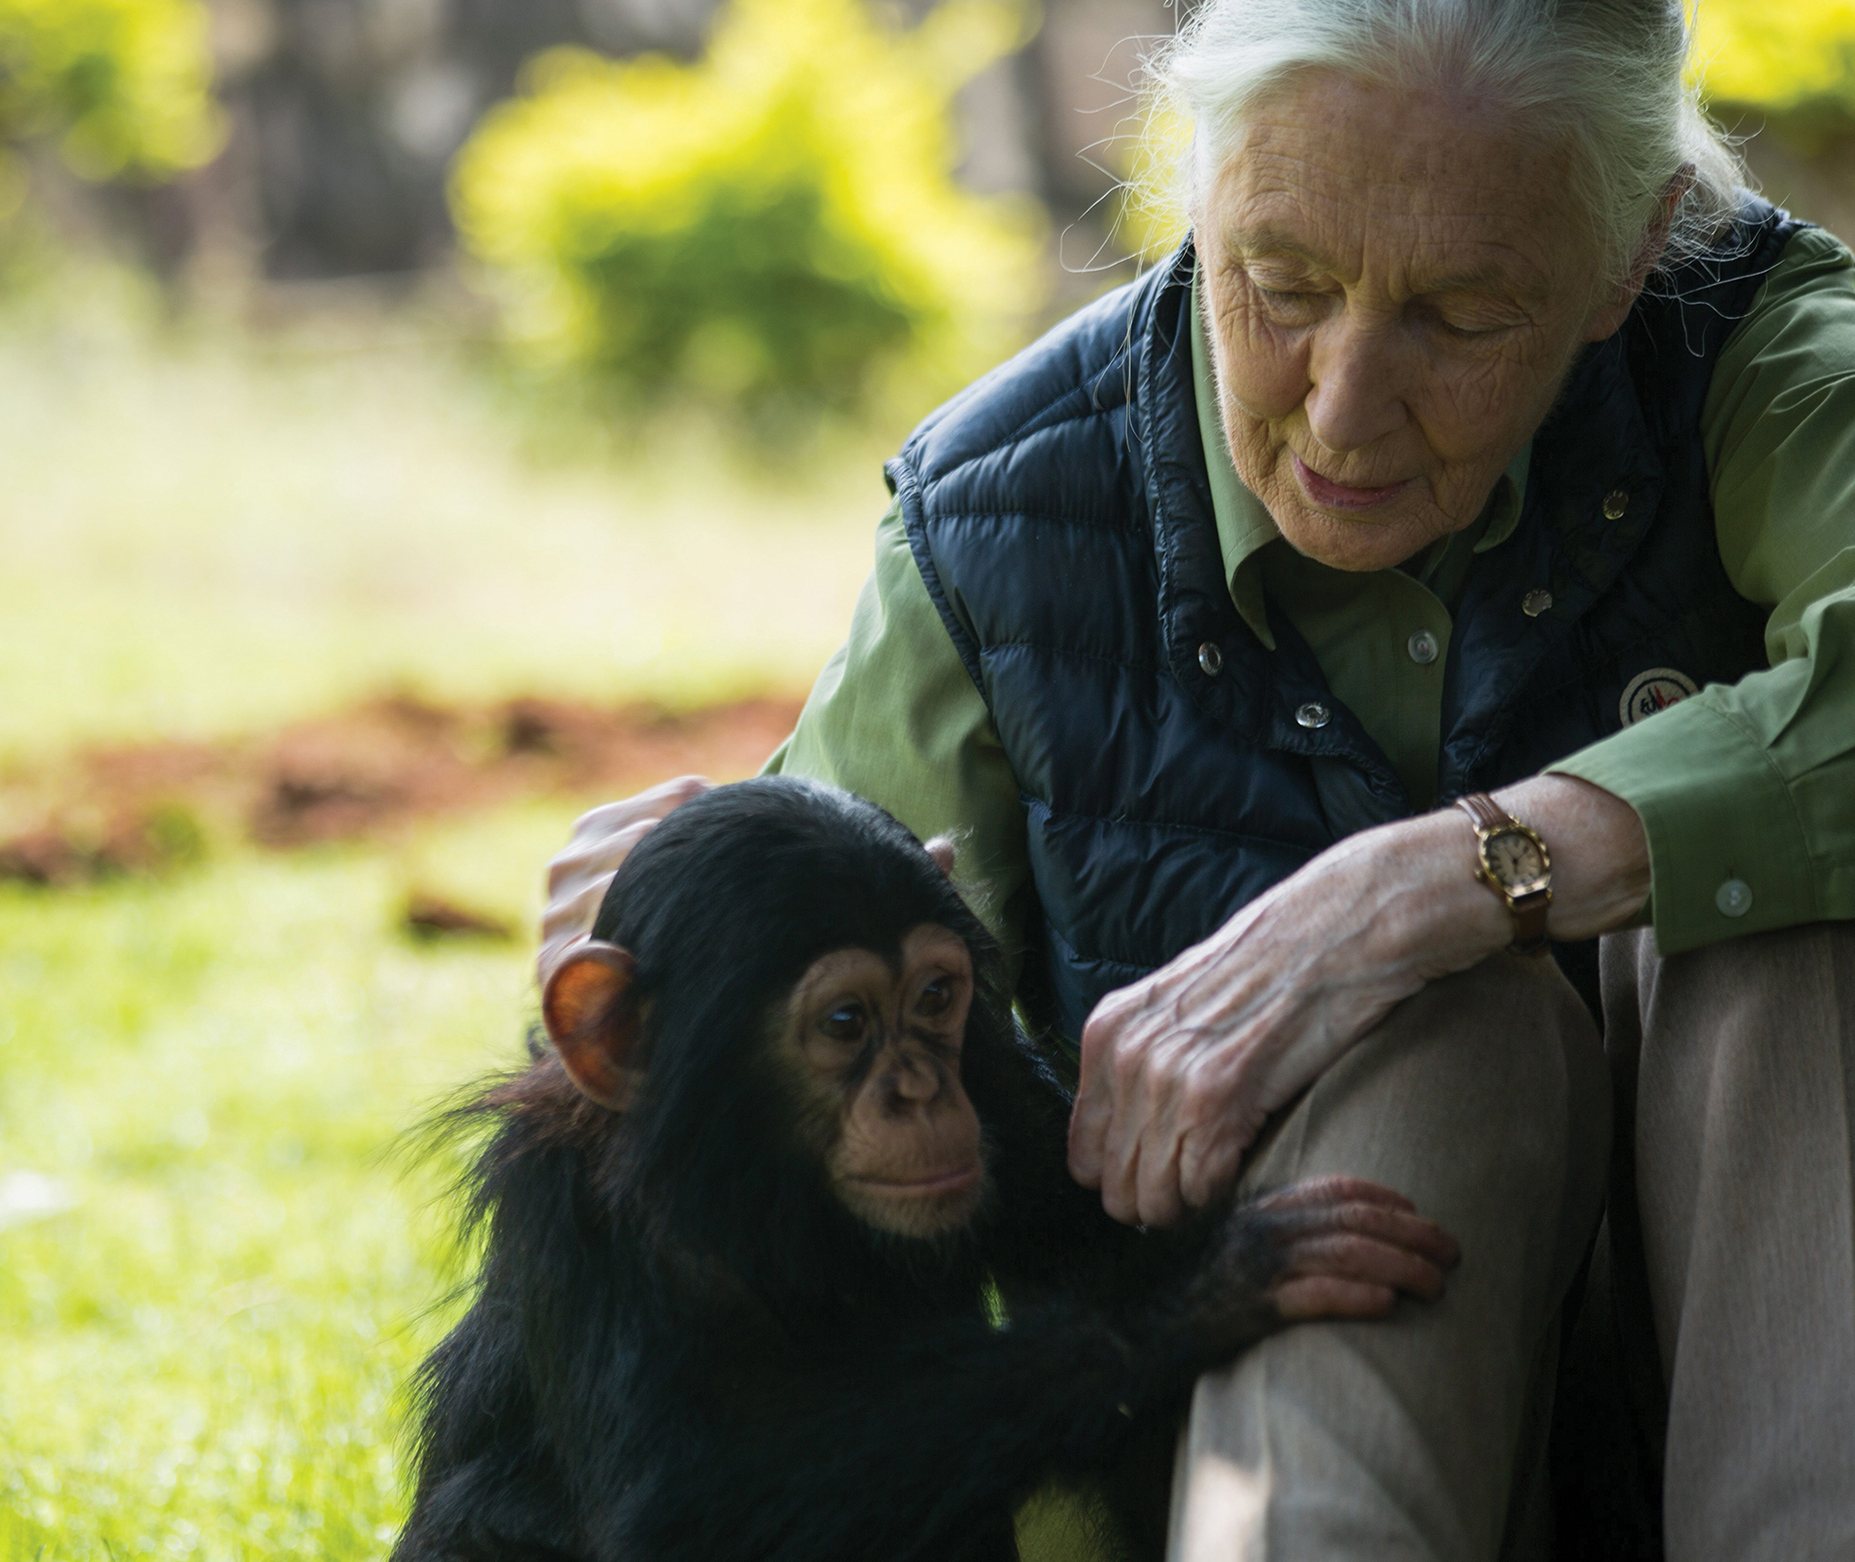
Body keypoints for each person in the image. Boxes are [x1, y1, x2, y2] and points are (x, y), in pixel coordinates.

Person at [537, 0, 1855, 1556]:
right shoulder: (997, 518)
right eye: (1281, 286)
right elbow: (769, 1154)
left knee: (1774, 905)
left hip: (1751, 1351)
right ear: (1197, 193)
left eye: (1466, 314)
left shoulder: (1756, 346)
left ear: (1635, 253)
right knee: (1447, 1023)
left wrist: (1445, 876)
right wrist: (651, 988)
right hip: (1285, 1411)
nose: (1344, 408)